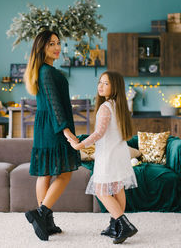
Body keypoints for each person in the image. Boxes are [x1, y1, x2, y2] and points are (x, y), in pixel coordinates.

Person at [23, 29, 81, 241]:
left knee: (45, 173)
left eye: (58, 43)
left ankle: (46, 222)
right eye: (51, 44)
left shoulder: (42, 70)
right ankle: (41, 213)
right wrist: (66, 132)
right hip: (54, 128)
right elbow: (55, 104)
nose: (57, 48)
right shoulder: (46, 72)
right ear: (41, 48)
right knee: (64, 173)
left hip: (46, 126)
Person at [69, 71, 138, 244]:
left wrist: (80, 145)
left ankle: (124, 225)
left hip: (108, 155)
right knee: (117, 188)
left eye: (106, 83)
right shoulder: (118, 106)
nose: (100, 86)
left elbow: (99, 133)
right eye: (100, 82)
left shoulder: (105, 107)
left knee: (101, 190)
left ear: (115, 87)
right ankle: (115, 225)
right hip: (119, 153)